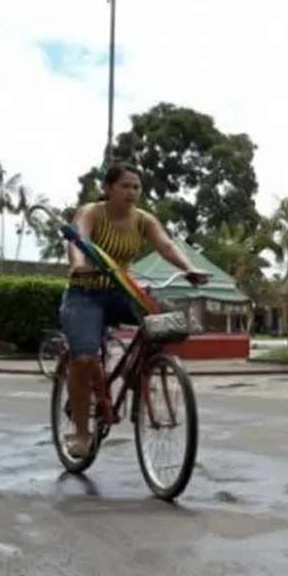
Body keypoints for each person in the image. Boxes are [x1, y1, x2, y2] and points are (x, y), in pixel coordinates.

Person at [59, 164, 207, 458]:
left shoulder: (143, 220)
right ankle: (80, 431)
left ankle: (137, 367)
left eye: (136, 187)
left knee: (163, 324)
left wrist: (188, 268)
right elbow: (78, 240)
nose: (132, 192)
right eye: (125, 186)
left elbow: (166, 246)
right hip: (85, 293)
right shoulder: (92, 212)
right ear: (108, 189)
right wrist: (78, 265)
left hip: (122, 291)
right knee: (84, 357)